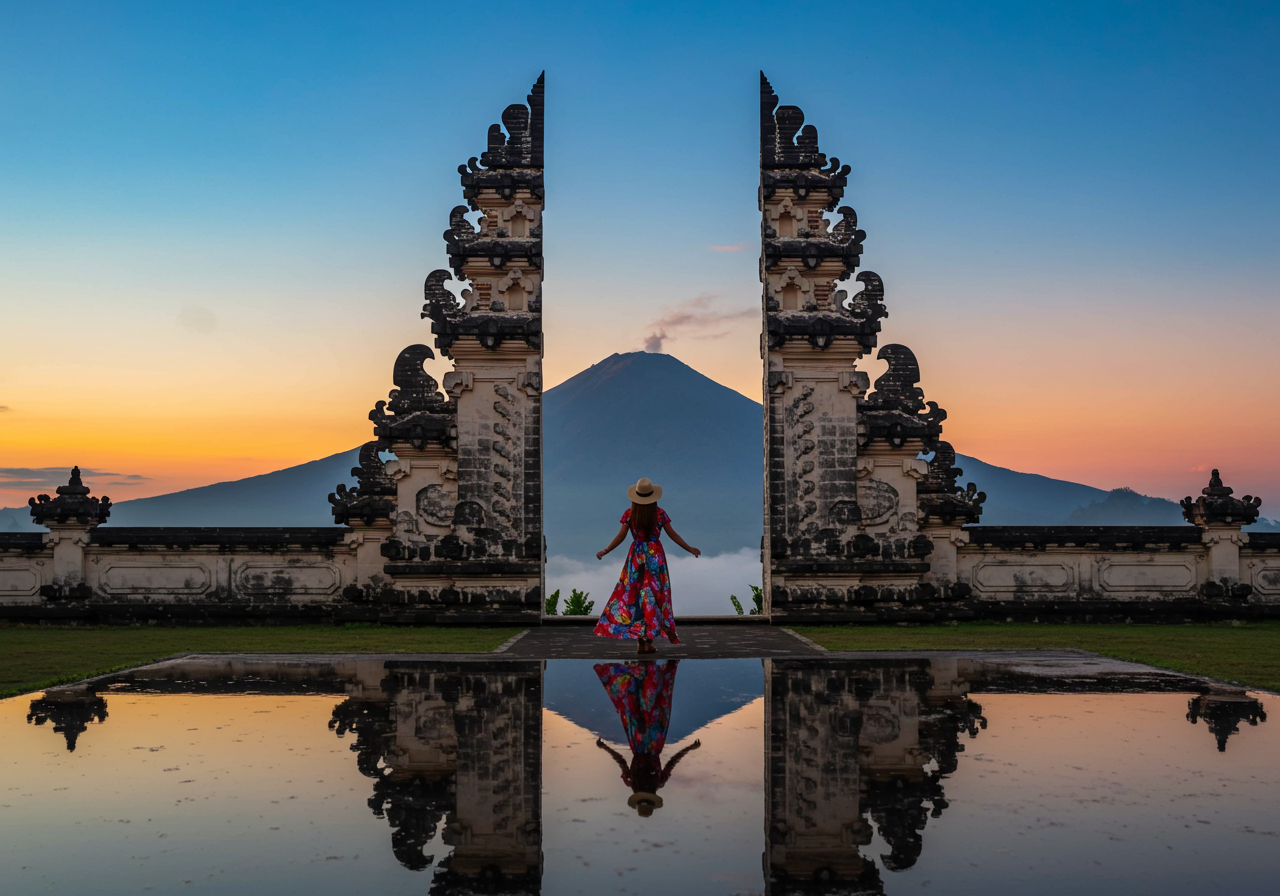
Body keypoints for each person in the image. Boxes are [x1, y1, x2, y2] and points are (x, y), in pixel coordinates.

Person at [594, 477, 700, 654]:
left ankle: (641, 642)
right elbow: (673, 534)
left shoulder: (630, 514)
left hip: (636, 558)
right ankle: (647, 640)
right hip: (655, 557)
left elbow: (620, 537)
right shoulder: (659, 514)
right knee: (652, 598)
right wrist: (689, 548)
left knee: (635, 596)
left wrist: (606, 550)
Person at [593, 660, 701, 817]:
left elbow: (670, 762)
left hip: (651, 737)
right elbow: (671, 762)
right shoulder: (647, 782)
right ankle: (646, 669)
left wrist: (606, 748)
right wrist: (689, 748)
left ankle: (647, 668)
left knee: (650, 699)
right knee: (646, 699)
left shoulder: (643, 781)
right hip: (646, 738)